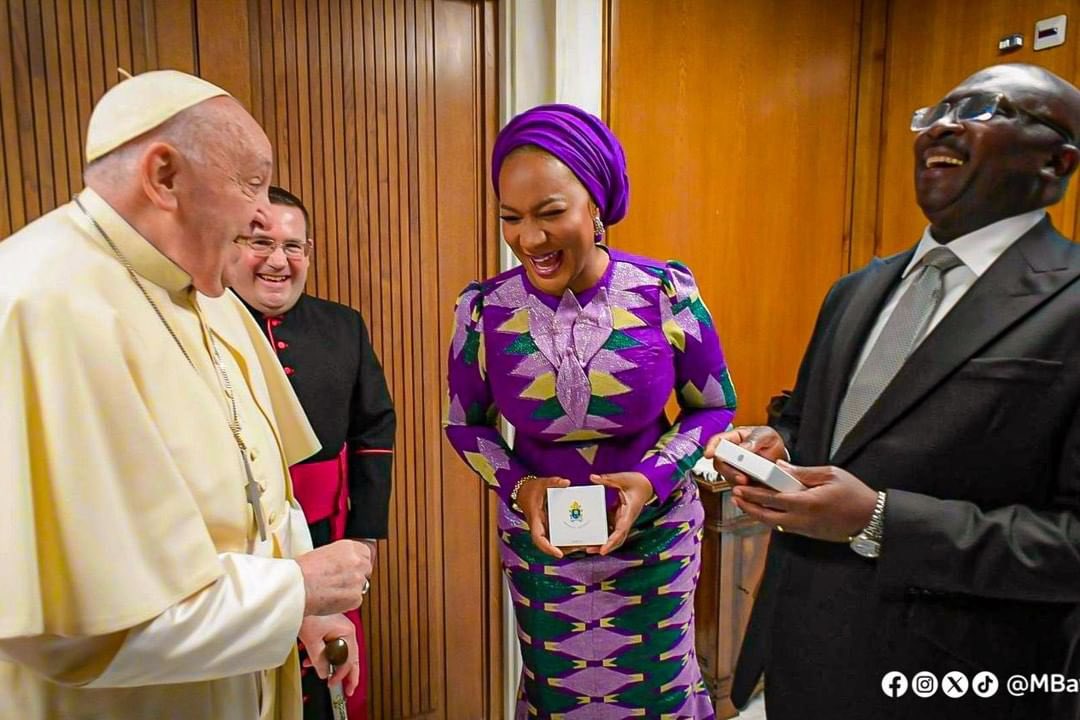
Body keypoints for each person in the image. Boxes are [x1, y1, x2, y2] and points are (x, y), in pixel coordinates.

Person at [711, 63, 1080, 720]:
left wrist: (882, 520)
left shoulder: (1070, 302)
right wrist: (775, 445)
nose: (940, 123)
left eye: (981, 108)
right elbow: (809, 421)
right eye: (934, 109)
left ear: (1056, 162)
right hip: (792, 663)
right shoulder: (856, 291)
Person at [0, 70, 373, 720]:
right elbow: (75, 631)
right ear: (164, 176)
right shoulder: (37, 305)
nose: (264, 214)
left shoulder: (207, 293)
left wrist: (302, 608)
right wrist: (292, 592)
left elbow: (265, 491)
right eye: (251, 184)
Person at [443, 104, 736, 718]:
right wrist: (519, 487)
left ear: (596, 209)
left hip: (655, 541)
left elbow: (713, 409)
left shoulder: (663, 293)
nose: (528, 238)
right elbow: (464, 424)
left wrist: (652, 479)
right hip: (541, 545)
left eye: (550, 213)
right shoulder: (482, 310)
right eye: (510, 218)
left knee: (657, 692)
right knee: (557, 693)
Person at [229, 185, 396, 720]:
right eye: (261, 242)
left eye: (293, 246)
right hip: (238, 542)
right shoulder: (203, 327)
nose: (279, 260)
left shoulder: (342, 324)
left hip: (327, 531)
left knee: (332, 673)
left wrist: (364, 532)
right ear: (230, 245)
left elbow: (374, 426)